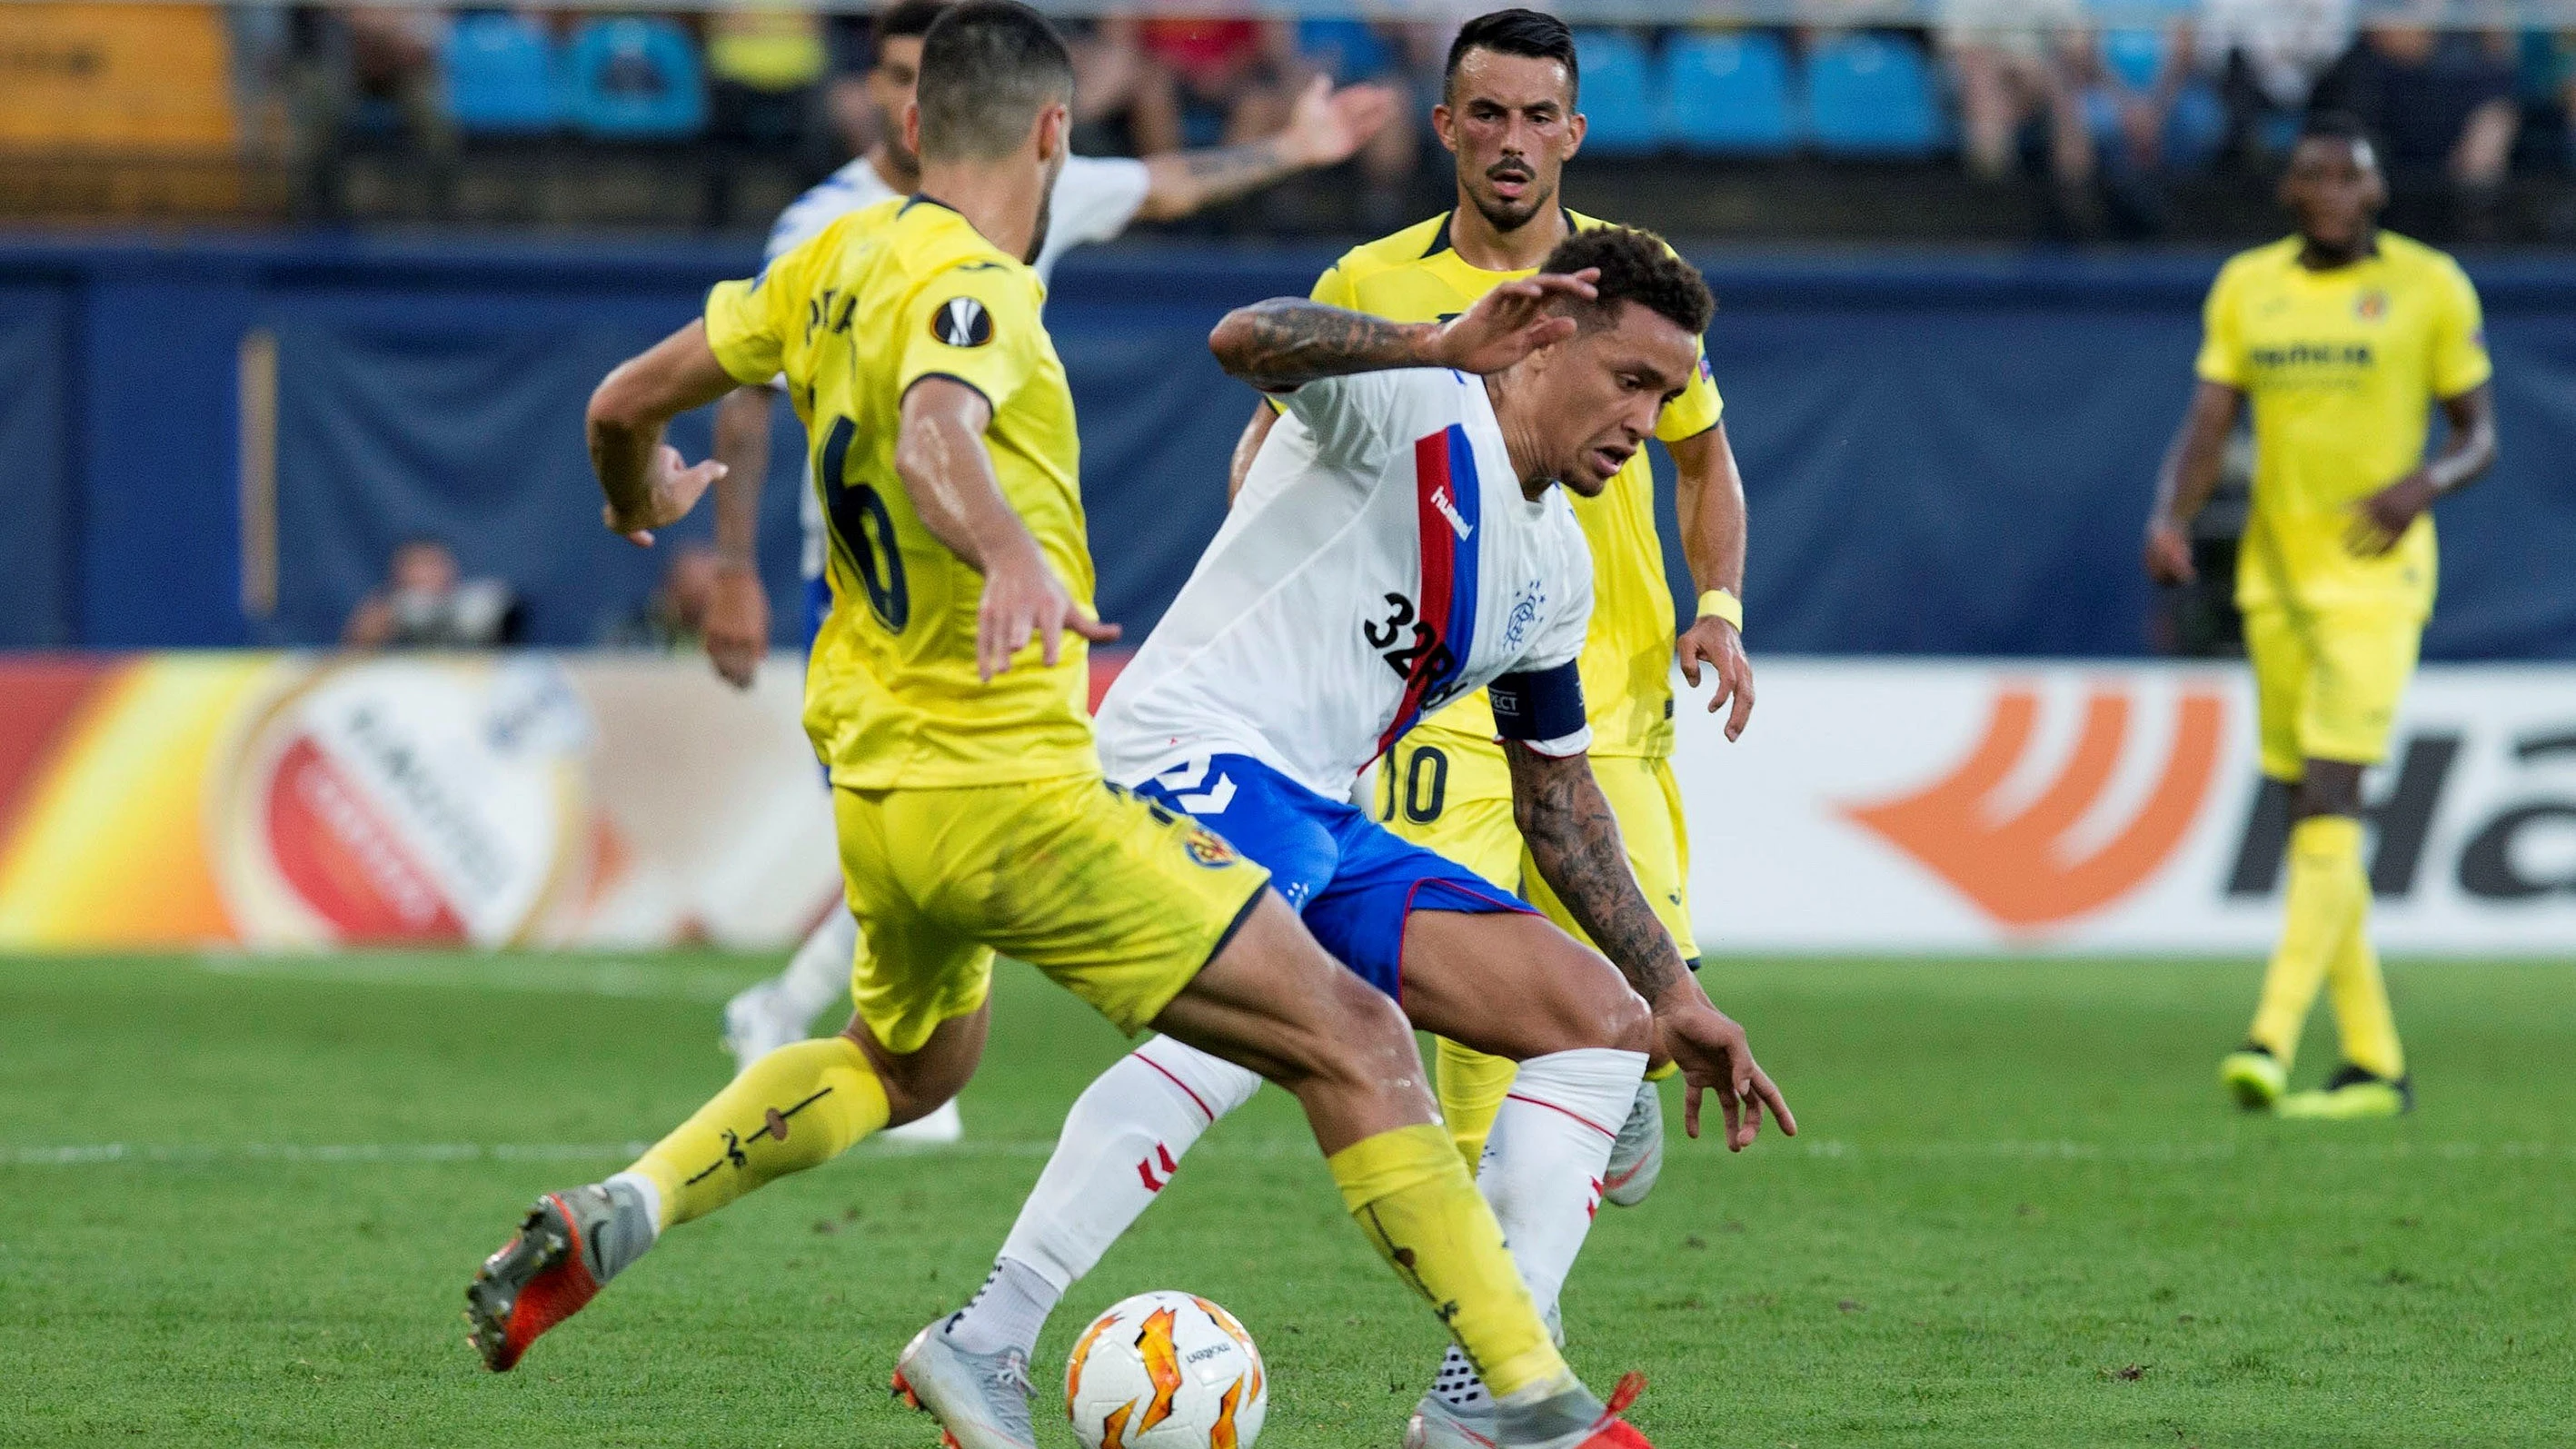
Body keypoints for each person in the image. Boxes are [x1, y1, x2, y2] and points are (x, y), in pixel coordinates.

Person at [463, 10, 1659, 1447]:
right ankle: (1527, 1395)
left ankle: (628, 1204)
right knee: (1347, 1032)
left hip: (875, 789)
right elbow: (933, 435)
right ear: (1052, 135)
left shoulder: (817, 265)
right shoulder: (985, 291)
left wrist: (631, 492)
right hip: (1015, 789)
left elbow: (619, 404)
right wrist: (1012, 557)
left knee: (906, 1067)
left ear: (912, 127)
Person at [906, 223, 1791, 1449]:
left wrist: (1671, 990)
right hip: (1185, 754)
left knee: (1595, 1021)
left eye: (1668, 392)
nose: (1646, 418)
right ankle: (985, 1334)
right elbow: (1241, 337)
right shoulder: (1411, 404)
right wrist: (1432, 338)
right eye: (1629, 379)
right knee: (1289, 1025)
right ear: (1544, 339)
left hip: (1318, 815)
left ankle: (1479, 1400)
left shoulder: (1555, 568)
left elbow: (1559, 800)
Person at [705, 0, 1401, 1131]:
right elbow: (740, 383)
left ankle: (834, 1027)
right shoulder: (826, 224)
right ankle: (852, 1030)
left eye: (906, 75)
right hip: (865, 565)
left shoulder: (1028, 174)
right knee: (927, 810)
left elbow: (1164, 185)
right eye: (881, 76)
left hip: (995, 555)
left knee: (956, 808)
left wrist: (1299, 147)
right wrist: (730, 564)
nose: (894, 100)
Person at [1224, 8, 1758, 1206]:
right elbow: (1270, 432)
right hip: (1437, 705)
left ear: (1572, 132)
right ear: (1444, 127)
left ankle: (1586, 1138)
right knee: (1473, 1044)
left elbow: (1701, 454)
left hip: (1604, 709)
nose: (1509, 140)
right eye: (1486, 114)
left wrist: (1715, 603)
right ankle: (1500, 1364)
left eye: (1535, 116)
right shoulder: (1373, 281)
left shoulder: (1629, 276)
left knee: (1633, 1011)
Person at [2145, 112, 2497, 1121]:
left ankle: (2270, 1031)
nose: (2334, 190)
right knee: (2313, 817)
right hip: (2276, 580)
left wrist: (2421, 485)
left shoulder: (2431, 286)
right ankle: (2378, 1062)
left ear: (2377, 191)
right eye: (2316, 175)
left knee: (2334, 802)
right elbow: (2210, 417)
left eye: (2352, 175)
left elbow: (2480, 436)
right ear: (2293, 191)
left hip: (2377, 584)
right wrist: (2170, 513)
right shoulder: (2249, 285)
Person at [341, 537, 522, 648]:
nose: (427, 574)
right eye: (417, 565)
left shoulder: (481, 604)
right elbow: (353, 659)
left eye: (432, 564)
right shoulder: (387, 612)